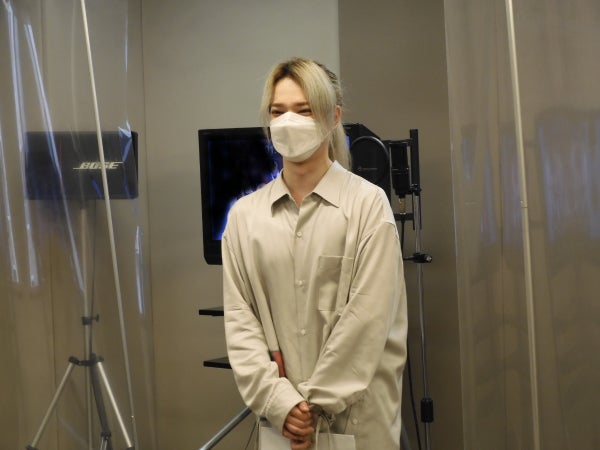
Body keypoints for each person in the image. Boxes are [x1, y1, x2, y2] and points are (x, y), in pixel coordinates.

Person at [222, 57, 408, 449]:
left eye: (304, 110)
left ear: (333, 116)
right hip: (283, 427)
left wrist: (311, 407)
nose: (289, 121)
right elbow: (241, 322)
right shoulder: (244, 218)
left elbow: (368, 319)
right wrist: (281, 404)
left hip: (357, 424)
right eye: (278, 111)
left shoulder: (367, 206)